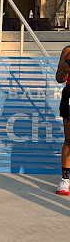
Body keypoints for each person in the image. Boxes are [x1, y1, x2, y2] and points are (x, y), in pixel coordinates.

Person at [55, 46, 70, 195]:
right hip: (69, 95)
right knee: (69, 140)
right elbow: (59, 78)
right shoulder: (67, 50)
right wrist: (66, 70)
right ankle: (65, 180)